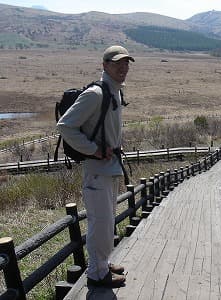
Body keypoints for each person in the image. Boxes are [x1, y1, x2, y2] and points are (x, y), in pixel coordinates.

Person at [57, 45, 134, 287]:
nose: (123, 67)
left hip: (109, 168)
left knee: (106, 221)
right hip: (97, 169)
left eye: (126, 63)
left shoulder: (115, 93)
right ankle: (97, 273)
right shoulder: (96, 94)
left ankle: (102, 263)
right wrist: (94, 150)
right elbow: (65, 126)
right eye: (117, 63)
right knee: (100, 222)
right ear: (105, 66)